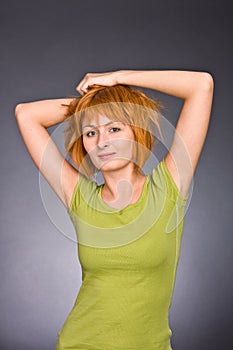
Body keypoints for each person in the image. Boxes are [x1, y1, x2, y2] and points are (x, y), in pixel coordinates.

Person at [14, 69, 214, 350]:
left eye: (115, 128)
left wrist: (118, 80)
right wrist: (92, 104)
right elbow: (26, 115)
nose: (102, 141)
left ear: (137, 132)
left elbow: (201, 86)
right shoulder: (80, 198)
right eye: (91, 132)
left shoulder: (167, 189)